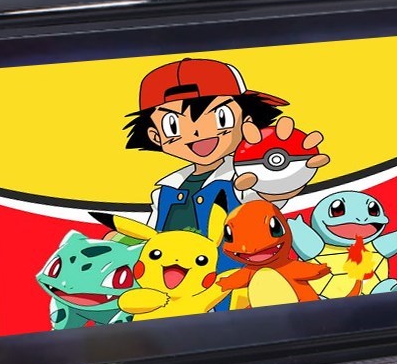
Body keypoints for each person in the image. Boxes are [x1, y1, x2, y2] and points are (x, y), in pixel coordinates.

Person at [123, 57, 330, 233]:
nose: (198, 132)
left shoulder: (246, 176)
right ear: (155, 136)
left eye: (221, 118)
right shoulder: (164, 192)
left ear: (247, 121)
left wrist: (294, 168)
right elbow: (151, 237)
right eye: (173, 125)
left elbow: (270, 195)